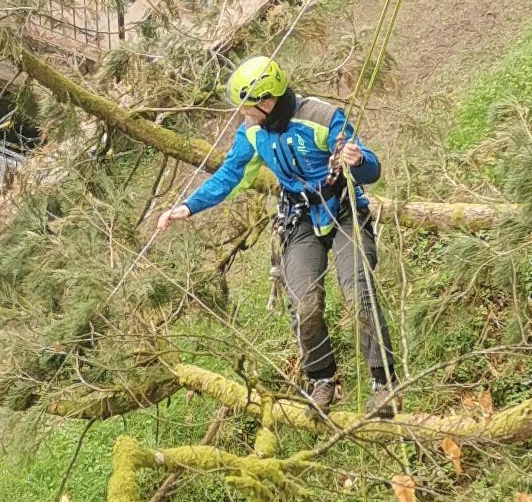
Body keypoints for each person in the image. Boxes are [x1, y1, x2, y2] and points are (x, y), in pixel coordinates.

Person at [160, 55, 393, 414]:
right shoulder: (252, 133)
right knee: (304, 303)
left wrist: (357, 161)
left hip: (344, 210)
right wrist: (189, 206)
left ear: (267, 102)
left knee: (357, 292)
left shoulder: (321, 117)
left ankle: (382, 384)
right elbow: (230, 175)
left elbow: (371, 169)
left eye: (248, 107)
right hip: (299, 219)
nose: (243, 114)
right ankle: (322, 379)